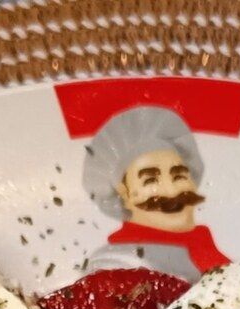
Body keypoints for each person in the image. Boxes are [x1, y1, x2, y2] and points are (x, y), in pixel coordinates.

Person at [81, 105, 230, 280]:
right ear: (125, 195)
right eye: (150, 180)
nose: (171, 191)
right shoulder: (115, 264)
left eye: (179, 176)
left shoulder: (206, 249)